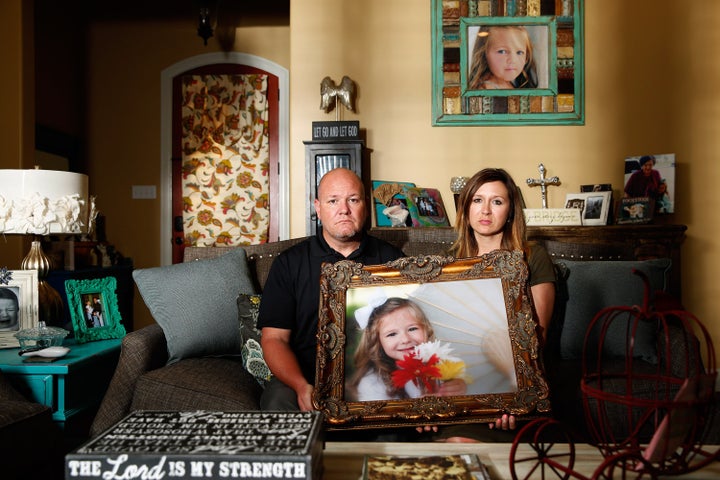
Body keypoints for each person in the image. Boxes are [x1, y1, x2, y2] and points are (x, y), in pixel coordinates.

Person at [257, 168, 405, 412]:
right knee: (277, 405)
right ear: (318, 207)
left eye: (353, 200)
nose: (343, 209)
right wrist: (301, 386)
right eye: (333, 200)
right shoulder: (289, 263)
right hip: (304, 376)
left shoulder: (393, 260)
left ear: (365, 206)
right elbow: (274, 339)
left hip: (375, 375)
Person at [434, 167, 556, 441]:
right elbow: (439, 337)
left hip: (515, 383)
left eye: (497, 201)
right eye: (477, 200)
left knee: (461, 443)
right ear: (465, 208)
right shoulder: (446, 262)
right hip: (461, 383)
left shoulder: (532, 256)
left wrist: (511, 392)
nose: (485, 210)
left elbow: (538, 338)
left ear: (510, 211)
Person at [347, 297, 467, 402]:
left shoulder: (441, 364)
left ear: (427, 330)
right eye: (392, 334)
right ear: (377, 342)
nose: (405, 339)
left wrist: (458, 388)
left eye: (412, 329)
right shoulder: (372, 383)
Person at [468, 26, 538, 90]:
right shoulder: (486, 89)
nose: (513, 60)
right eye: (502, 51)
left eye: (519, 52)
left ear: (526, 57)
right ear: (484, 54)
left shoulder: (508, 83)